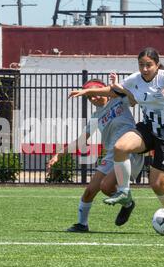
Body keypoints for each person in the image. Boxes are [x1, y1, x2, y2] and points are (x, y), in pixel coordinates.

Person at [69, 48, 164, 212]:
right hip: (148, 128)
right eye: (141, 65)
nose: (144, 69)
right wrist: (88, 90)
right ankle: (124, 192)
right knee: (120, 147)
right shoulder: (136, 79)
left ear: (157, 65)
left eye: (149, 65)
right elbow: (114, 91)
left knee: (157, 184)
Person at [47, 79, 144, 232]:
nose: (93, 98)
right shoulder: (95, 117)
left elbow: (134, 99)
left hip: (128, 149)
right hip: (111, 154)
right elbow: (81, 140)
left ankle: (127, 203)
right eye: (89, 97)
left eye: (94, 94)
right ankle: (82, 224)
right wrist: (59, 154)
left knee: (106, 186)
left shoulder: (119, 99)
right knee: (89, 191)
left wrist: (118, 87)